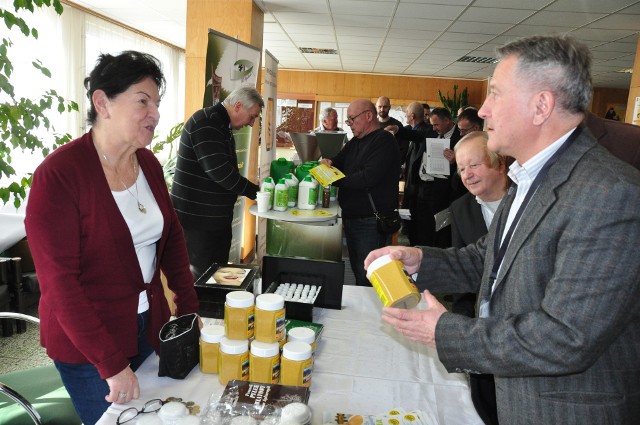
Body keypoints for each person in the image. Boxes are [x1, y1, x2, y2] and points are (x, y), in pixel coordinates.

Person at [365, 34, 640, 425]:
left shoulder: (611, 194)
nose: (484, 109)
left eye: (495, 94)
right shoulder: (529, 175)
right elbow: (490, 258)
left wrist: (444, 332)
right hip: (513, 394)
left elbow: (565, 338)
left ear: (541, 105)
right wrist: (421, 259)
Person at [24, 51, 200, 425]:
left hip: (148, 326)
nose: (154, 113)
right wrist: (110, 363)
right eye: (142, 101)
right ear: (102, 102)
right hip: (88, 346)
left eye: (156, 103)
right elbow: (60, 286)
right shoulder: (58, 176)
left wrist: (188, 309)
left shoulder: (148, 164)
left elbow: (171, 241)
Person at [171, 86, 263, 280]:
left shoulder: (220, 123)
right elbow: (221, 173)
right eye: (252, 116)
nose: (252, 123)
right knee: (201, 280)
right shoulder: (206, 123)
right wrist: (258, 193)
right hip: (198, 222)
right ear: (238, 106)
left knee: (216, 277)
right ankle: (197, 312)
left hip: (214, 219)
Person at [448, 131, 508, 425]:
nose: (467, 175)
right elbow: (464, 275)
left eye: (474, 165)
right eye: (461, 168)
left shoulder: (527, 200)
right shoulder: (460, 209)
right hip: (481, 333)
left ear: (500, 165)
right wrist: (459, 329)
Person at [321, 99, 400, 287]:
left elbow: (367, 177)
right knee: (359, 273)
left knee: (371, 278)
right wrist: (328, 163)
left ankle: (375, 316)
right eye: (347, 120)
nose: (349, 124)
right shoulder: (356, 141)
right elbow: (339, 161)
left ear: (368, 116)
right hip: (353, 218)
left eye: (351, 119)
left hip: (371, 222)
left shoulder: (384, 141)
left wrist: (333, 178)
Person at [401, 102, 441, 246]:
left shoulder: (425, 130)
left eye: (406, 113)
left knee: (419, 229)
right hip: (412, 188)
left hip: (420, 191)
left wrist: (397, 129)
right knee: (412, 226)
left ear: (412, 116)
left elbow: (414, 135)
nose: (405, 115)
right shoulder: (415, 130)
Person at [376, 96, 410, 164]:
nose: (382, 109)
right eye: (380, 106)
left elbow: (404, 148)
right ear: (376, 107)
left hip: (392, 166)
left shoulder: (397, 125)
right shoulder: (371, 124)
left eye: (385, 107)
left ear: (389, 107)